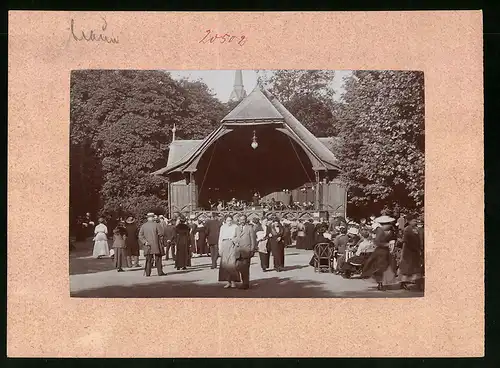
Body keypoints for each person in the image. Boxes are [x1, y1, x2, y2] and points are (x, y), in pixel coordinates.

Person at [361, 215, 398, 290]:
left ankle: (384, 282)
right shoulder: (380, 231)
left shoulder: (390, 231)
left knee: (388, 267)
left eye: (389, 223)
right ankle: (380, 283)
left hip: (387, 252)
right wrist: (387, 244)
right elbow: (377, 242)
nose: (389, 225)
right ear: (383, 224)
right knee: (380, 267)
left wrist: (392, 243)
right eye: (387, 223)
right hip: (380, 251)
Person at [399, 214, 424, 290]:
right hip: (408, 251)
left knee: (416, 268)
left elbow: (419, 239)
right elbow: (406, 241)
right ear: (409, 221)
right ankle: (403, 283)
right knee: (407, 268)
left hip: (415, 251)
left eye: (416, 221)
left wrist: (419, 248)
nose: (415, 222)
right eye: (413, 221)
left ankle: (418, 285)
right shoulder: (407, 229)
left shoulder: (416, 229)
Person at [234, 215, 257, 289]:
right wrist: (235, 241)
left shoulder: (250, 228)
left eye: (243, 219)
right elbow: (234, 237)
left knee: (245, 268)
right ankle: (243, 282)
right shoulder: (237, 228)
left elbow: (253, 240)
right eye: (241, 219)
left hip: (247, 251)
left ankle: (245, 284)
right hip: (238, 251)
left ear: (246, 220)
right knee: (239, 267)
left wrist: (252, 250)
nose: (242, 221)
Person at [139, 212, 165, 277]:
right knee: (158, 259)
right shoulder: (157, 225)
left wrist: (145, 242)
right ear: (153, 218)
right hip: (156, 244)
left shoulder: (143, 226)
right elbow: (161, 233)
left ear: (147, 218)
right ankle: (160, 272)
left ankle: (148, 273)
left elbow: (140, 235)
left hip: (147, 245)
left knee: (148, 259)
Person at [218, 215, 240, 288]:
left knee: (232, 264)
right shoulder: (223, 227)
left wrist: (235, 242)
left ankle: (233, 281)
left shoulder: (235, 227)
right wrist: (220, 248)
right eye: (228, 220)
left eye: (230, 220)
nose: (229, 222)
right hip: (224, 245)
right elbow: (220, 238)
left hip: (232, 244)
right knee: (225, 264)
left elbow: (238, 237)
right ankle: (228, 281)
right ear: (225, 221)